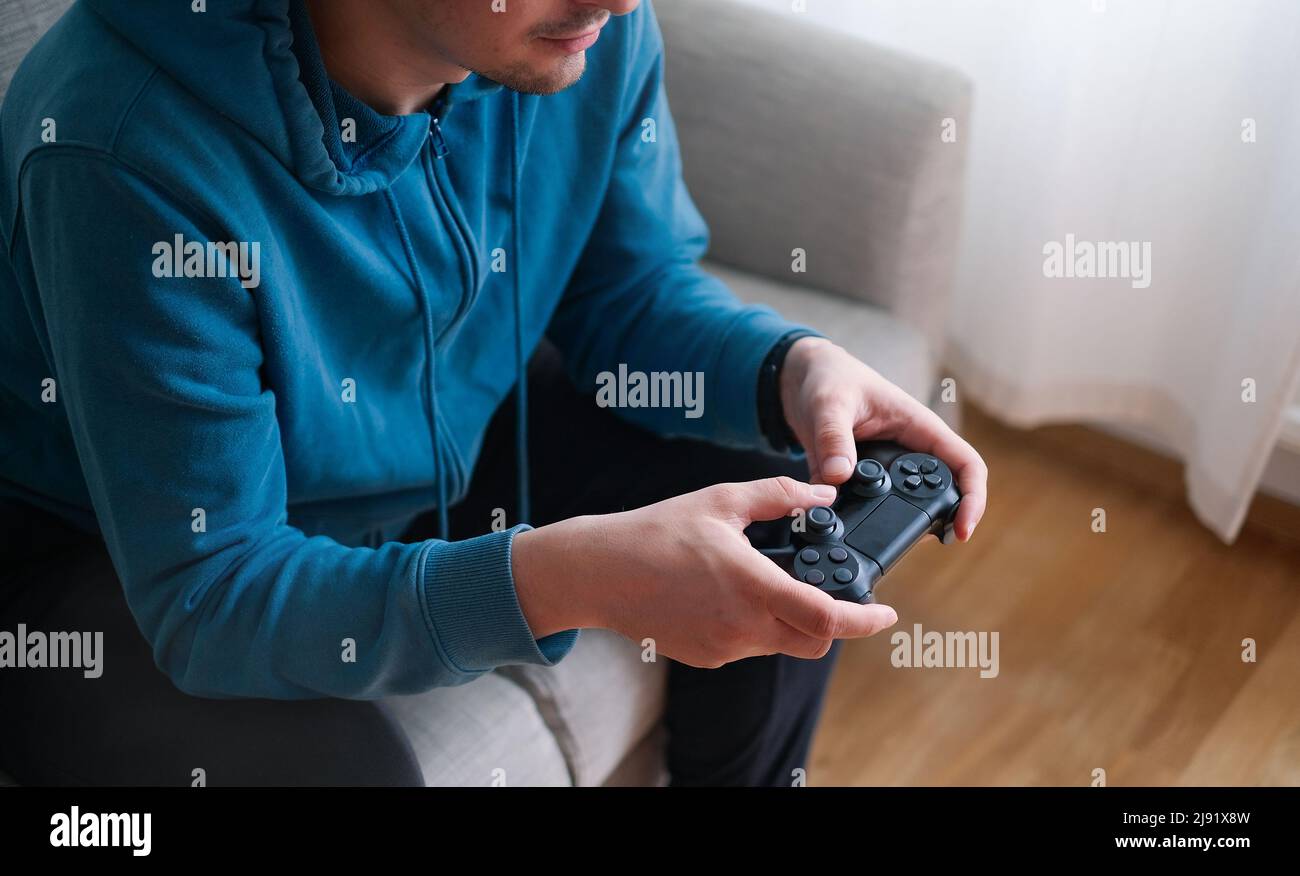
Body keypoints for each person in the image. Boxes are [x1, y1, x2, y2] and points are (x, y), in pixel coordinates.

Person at [0, 0, 987, 786]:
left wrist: (791, 368)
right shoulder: (120, 147)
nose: (621, 0)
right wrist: (576, 575)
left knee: (787, 516)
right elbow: (213, 588)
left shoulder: (566, 35)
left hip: (434, 425)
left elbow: (631, 294)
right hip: (118, 551)